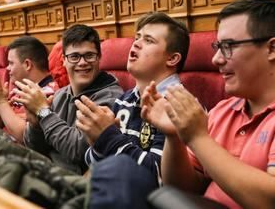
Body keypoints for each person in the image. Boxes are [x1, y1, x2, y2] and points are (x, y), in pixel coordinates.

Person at [142, 0, 275, 208]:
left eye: (228, 46)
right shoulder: (223, 110)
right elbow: (181, 189)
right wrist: (174, 136)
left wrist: (197, 137)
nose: (216, 59)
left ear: (272, 48)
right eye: (217, 47)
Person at [75, 12, 189, 180]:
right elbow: (94, 163)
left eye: (148, 40)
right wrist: (96, 141)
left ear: (172, 58)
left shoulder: (180, 106)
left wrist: (107, 137)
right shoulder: (125, 99)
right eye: (137, 37)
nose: (136, 44)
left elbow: (160, 178)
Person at [13, 24, 123, 174]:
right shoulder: (60, 94)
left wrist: (44, 112)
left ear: (99, 58)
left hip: (73, 183)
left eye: (89, 55)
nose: (82, 62)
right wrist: (35, 125)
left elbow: (78, 152)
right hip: (46, 172)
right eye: (74, 57)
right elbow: (36, 147)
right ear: (63, 60)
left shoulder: (110, 97)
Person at [0, 36, 59, 143]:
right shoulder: (20, 91)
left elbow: (26, 137)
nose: (7, 68)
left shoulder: (50, 93)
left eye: (11, 63)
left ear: (27, 64)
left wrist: (1, 103)